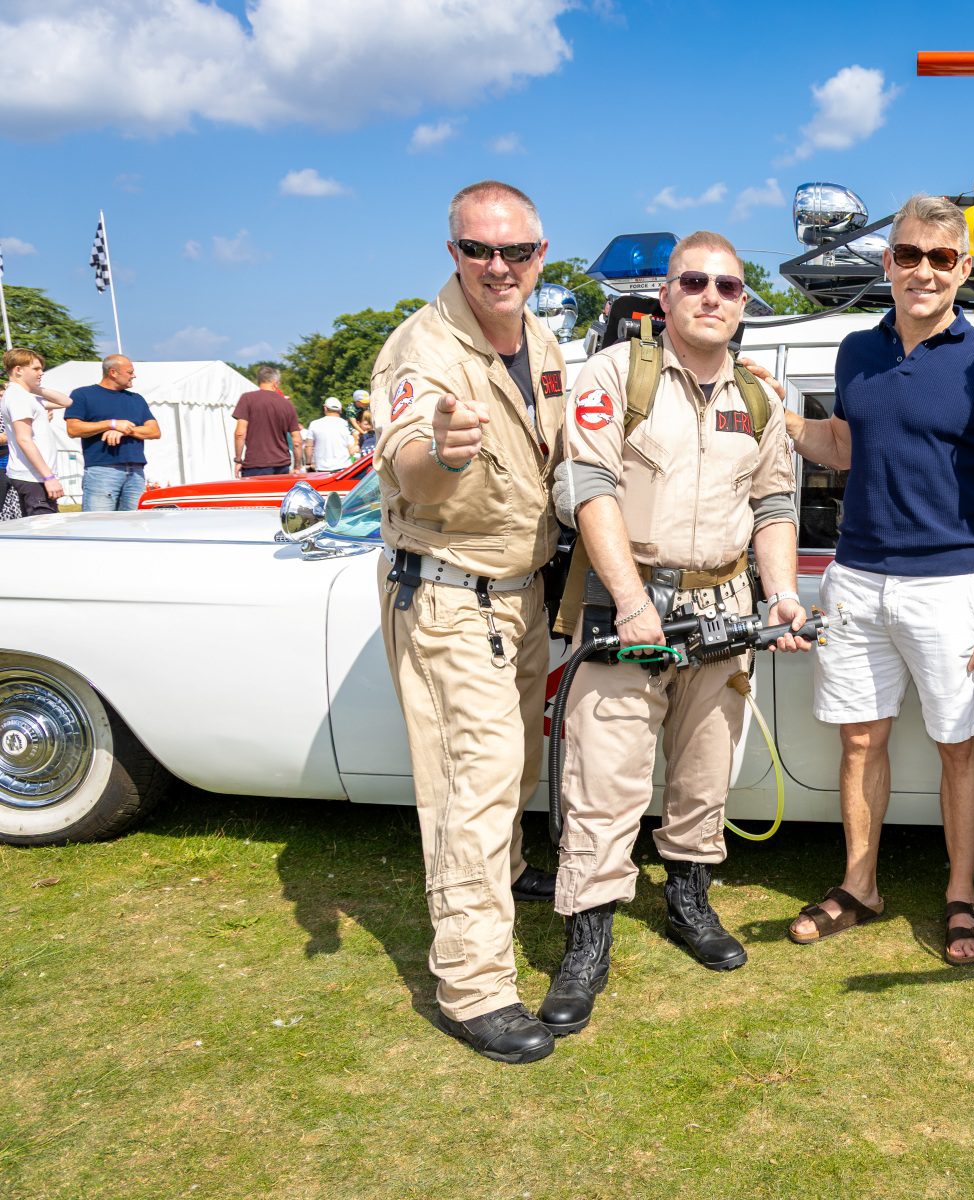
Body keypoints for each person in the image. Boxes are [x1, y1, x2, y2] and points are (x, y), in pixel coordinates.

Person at [541, 230, 807, 1038]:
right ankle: (586, 943)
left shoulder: (759, 398)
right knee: (604, 786)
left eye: (729, 287)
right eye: (696, 282)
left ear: (743, 302)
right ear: (666, 296)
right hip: (629, 610)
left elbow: (774, 507)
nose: (713, 297)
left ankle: (689, 902)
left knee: (703, 777)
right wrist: (629, 599)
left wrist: (783, 594)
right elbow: (587, 486)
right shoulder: (616, 375)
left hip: (723, 609)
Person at [782, 195, 974, 965]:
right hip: (854, 577)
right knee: (860, 740)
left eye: (941, 257)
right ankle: (860, 886)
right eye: (908, 254)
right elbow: (848, 446)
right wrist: (777, 414)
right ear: (886, 262)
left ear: (965, 268)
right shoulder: (857, 350)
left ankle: (961, 894)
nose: (923, 270)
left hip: (948, 584)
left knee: (957, 742)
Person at [372, 179, 570, 1064]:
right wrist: (439, 453)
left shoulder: (543, 336)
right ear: (452, 252)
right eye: (478, 250)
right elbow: (410, 457)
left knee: (515, 764)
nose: (499, 267)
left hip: (520, 590)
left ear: (540, 252)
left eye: (516, 251)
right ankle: (474, 986)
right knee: (473, 787)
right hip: (453, 596)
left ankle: (508, 878)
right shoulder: (424, 347)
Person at [65, 355, 159, 511]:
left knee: (136, 526)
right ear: (113, 372)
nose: (134, 376)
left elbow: (154, 431)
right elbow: (73, 429)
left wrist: (124, 431)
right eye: (130, 372)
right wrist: (111, 424)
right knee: (98, 526)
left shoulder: (136, 399)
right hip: (102, 471)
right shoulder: (83, 395)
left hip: (136, 473)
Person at [1, 348, 74, 518]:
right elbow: (24, 439)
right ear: (18, 370)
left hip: (33, 476)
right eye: (35, 369)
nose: (41, 373)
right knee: (45, 532)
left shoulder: (24, 395)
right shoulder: (19, 398)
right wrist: (48, 478)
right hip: (33, 477)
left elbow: (66, 401)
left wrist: (35, 388)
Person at [234, 366, 301, 477]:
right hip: (282, 466)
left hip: (255, 464)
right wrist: (297, 466)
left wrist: (238, 460)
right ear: (275, 383)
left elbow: (240, 434)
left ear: (259, 381)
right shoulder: (287, 404)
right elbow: (297, 441)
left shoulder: (247, 399)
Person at [304, 396, 356, 472]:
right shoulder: (346, 425)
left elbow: (308, 446)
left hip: (321, 469)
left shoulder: (314, 424)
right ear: (340, 410)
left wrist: (308, 463)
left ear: (325, 408)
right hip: (343, 469)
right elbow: (351, 450)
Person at [353, 390, 378, 456]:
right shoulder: (357, 435)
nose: (369, 427)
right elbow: (354, 450)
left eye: (371, 424)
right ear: (359, 423)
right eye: (366, 424)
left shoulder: (375, 433)